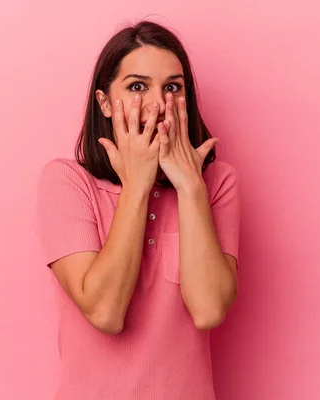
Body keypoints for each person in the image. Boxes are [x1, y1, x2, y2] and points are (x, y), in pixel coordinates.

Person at [36, 20, 241, 400]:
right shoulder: (67, 182)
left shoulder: (216, 184)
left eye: (173, 87)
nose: (159, 103)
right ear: (104, 104)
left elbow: (210, 310)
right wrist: (137, 185)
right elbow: (105, 312)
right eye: (137, 86)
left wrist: (190, 186)